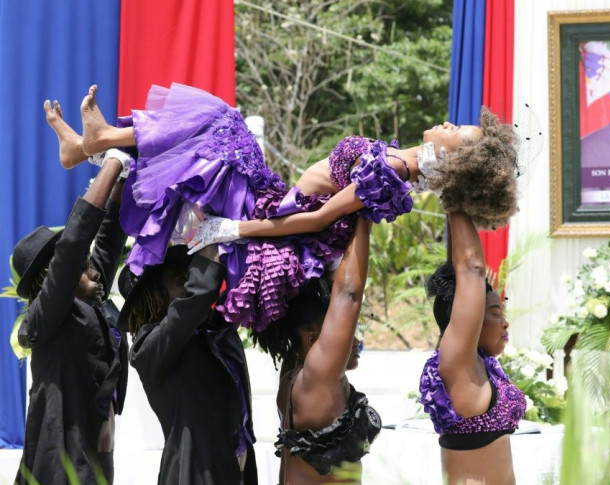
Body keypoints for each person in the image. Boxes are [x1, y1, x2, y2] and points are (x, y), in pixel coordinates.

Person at [62, 83, 518, 331]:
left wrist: (234, 230)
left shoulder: (390, 175)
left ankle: (98, 145)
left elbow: (321, 217)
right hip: (273, 194)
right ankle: (90, 148)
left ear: (452, 158)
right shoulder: (396, 161)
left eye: (455, 130)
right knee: (215, 128)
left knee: (220, 122)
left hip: (265, 211)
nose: (447, 122)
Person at [13, 100, 130, 484]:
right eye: (81, 266)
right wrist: (112, 158)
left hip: (96, 467)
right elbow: (74, 246)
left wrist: (122, 175)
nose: (92, 269)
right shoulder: (47, 316)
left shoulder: (90, 298)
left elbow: (109, 239)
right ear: (52, 275)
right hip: (59, 469)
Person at [117, 242, 258, 484]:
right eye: (180, 279)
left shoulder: (213, 330)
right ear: (154, 296)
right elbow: (192, 305)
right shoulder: (148, 349)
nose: (189, 282)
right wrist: (210, 246)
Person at [253, 216, 379, 484]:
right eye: (347, 334)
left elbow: (332, 294)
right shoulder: (317, 378)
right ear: (313, 340)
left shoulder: (294, 372)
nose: (355, 340)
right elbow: (348, 294)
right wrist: (365, 211)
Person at [418, 211, 526, 485]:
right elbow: (471, 268)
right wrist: (454, 192)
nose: (505, 323)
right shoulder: (457, 362)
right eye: (493, 313)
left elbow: (462, 268)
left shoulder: (479, 364)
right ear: (470, 318)